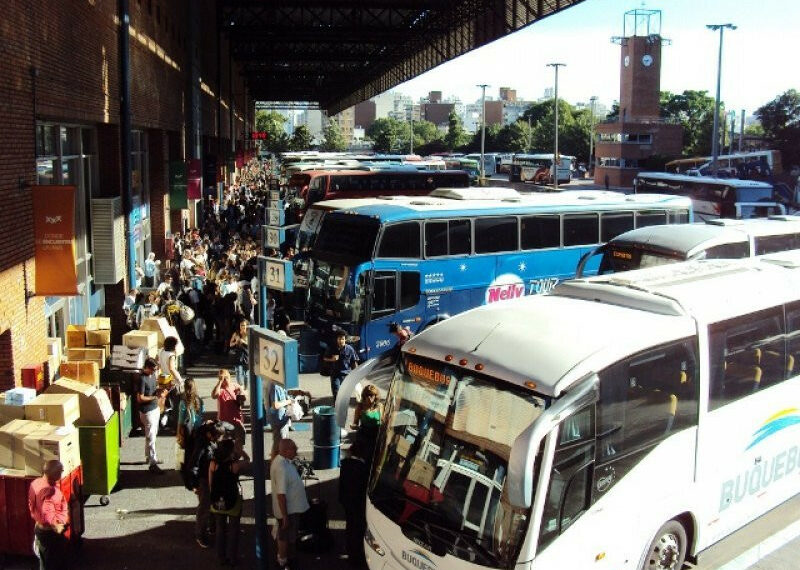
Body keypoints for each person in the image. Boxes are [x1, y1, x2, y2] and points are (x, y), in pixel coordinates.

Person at [270, 439, 310, 570]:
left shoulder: (282, 462)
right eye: (294, 449)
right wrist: (285, 516)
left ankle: (284, 558)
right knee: (285, 537)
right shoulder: (282, 467)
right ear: (286, 451)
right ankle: (283, 561)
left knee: (286, 536)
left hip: (289, 510)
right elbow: (281, 495)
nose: (297, 451)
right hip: (288, 511)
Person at [209, 438, 250, 566]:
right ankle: (232, 557)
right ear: (230, 452)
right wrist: (242, 451)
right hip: (233, 500)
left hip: (217, 501)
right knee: (234, 529)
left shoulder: (213, 464)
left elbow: (211, 483)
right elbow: (248, 461)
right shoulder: (234, 465)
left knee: (220, 528)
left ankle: (220, 556)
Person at [187, 422, 224, 549]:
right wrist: (194, 484)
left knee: (208, 505)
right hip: (204, 479)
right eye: (217, 436)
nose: (219, 439)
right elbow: (194, 465)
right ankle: (201, 534)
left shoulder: (208, 442)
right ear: (210, 435)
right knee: (204, 508)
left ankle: (210, 527)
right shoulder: (202, 446)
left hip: (208, 477)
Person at [28, 460, 69, 570]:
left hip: (40, 528)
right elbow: (47, 512)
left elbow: (32, 504)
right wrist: (57, 526)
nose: (62, 473)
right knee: (52, 562)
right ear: (56, 474)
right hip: (50, 532)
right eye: (61, 471)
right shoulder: (50, 491)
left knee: (45, 559)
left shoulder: (36, 483)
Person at [339, 438, 369, 567]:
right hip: (358, 504)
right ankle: (357, 555)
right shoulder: (363, 469)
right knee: (358, 529)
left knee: (350, 526)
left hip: (347, 501)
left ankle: (350, 550)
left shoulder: (345, 464)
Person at [137, 358, 167, 474]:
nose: (155, 372)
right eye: (153, 370)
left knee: (152, 434)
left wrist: (162, 390)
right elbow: (140, 398)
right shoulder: (142, 379)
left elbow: (154, 390)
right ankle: (153, 463)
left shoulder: (153, 376)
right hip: (147, 411)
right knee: (151, 437)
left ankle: (148, 457)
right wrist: (155, 398)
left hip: (154, 409)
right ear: (147, 367)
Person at [267, 383, 311, 458]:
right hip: (278, 421)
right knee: (279, 445)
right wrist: (289, 401)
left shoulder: (279, 385)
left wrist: (296, 392)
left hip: (283, 419)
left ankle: (278, 462)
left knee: (280, 443)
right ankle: (275, 465)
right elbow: (275, 405)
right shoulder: (275, 387)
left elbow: (284, 394)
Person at [211, 369, 246, 451]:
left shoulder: (235, 386)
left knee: (239, 445)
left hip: (237, 420)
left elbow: (244, 400)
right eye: (222, 378)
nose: (225, 380)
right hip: (224, 423)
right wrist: (220, 382)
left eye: (226, 377)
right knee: (225, 447)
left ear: (230, 377)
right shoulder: (221, 389)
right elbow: (214, 395)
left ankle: (237, 461)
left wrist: (241, 394)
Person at [322, 330, 359, 401]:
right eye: (339, 339)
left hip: (346, 375)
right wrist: (332, 359)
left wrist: (356, 374)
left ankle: (343, 408)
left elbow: (354, 362)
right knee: (337, 393)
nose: (341, 341)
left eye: (342, 339)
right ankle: (337, 408)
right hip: (335, 374)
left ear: (345, 339)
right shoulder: (332, 348)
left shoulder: (350, 349)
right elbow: (324, 358)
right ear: (336, 339)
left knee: (345, 394)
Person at [177, 378, 204, 469]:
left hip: (188, 430)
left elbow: (181, 420)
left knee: (187, 449)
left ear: (185, 388)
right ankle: (195, 466)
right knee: (196, 449)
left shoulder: (183, 402)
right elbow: (202, 415)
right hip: (198, 429)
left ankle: (186, 467)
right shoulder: (200, 400)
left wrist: (178, 433)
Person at [229, 319, 250, 390]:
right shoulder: (236, 334)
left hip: (247, 356)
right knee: (238, 372)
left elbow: (252, 345)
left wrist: (243, 342)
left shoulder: (249, 334)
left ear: (247, 326)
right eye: (241, 325)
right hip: (238, 356)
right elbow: (230, 344)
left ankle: (246, 388)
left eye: (244, 325)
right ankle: (240, 387)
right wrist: (236, 342)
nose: (242, 327)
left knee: (246, 374)